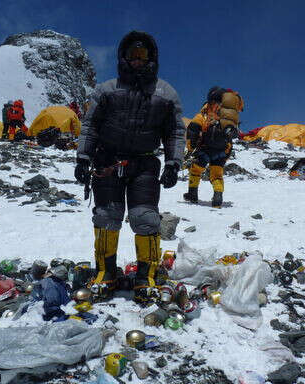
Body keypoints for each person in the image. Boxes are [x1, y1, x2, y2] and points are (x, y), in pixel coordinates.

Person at [74, 31, 185, 304]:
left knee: (146, 218)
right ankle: (105, 273)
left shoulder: (166, 94)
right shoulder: (107, 90)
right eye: (132, 55)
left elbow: (174, 132)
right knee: (106, 217)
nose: (137, 61)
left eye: (142, 55)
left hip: (145, 164)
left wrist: (173, 163)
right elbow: (91, 125)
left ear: (151, 58)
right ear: (123, 58)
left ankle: (145, 276)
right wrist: (83, 157)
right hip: (107, 162)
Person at [183, 87, 243, 207]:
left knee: (195, 170)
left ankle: (192, 194)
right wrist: (226, 155)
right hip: (221, 150)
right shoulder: (228, 116)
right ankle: (217, 197)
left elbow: (193, 128)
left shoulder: (206, 112)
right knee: (217, 174)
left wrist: (191, 148)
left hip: (204, 149)